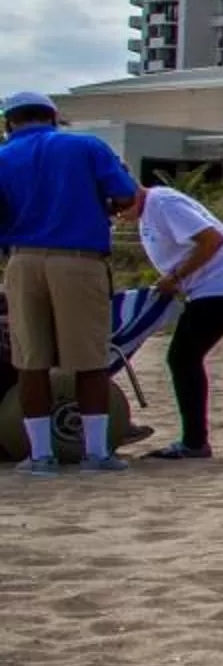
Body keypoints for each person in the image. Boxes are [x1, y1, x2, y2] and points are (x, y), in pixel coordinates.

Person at [0, 91, 140, 474]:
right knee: (89, 360)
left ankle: (40, 456)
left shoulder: (3, 156)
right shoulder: (86, 146)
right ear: (54, 116)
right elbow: (126, 195)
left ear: (9, 122)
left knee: (30, 361)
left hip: (23, 259)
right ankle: (95, 454)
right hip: (79, 260)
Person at [127, 177, 223, 461]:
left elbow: (212, 240)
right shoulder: (148, 210)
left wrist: (176, 276)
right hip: (212, 284)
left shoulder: (162, 202)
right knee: (184, 357)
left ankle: (195, 442)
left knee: (183, 357)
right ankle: (194, 440)